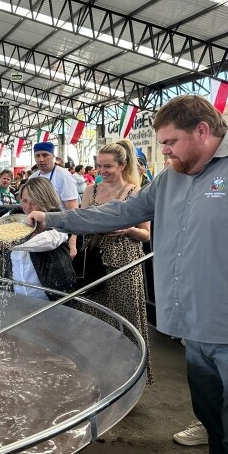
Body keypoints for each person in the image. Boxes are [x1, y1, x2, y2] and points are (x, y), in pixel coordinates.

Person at [28, 95, 228, 454]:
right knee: (217, 433)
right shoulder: (172, 179)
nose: (165, 152)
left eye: (170, 142)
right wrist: (52, 218)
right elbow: (116, 213)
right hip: (196, 336)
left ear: (202, 132)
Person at [75, 139, 153, 383]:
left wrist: (128, 229)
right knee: (91, 318)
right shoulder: (91, 190)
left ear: (122, 165)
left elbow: (146, 234)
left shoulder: (135, 192)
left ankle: (128, 378)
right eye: (99, 166)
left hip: (124, 264)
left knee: (126, 320)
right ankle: (94, 374)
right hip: (93, 262)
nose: (102, 171)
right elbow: (80, 222)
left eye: (107, 166)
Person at [0, 177, 75, 300]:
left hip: (51, 293)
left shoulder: (56, 217)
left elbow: (48, 241)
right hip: (19, 290)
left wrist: (7, 242)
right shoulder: (15, 214)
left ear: (45, 200)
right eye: (24, 200)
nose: (27, 207)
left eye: (34, 202)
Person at [30, 141, 78, 256]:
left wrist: (72, 241)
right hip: (39, 232)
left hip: (60, 233)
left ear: (53, 156)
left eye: (45, 155)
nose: (41, 159)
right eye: (37, 156)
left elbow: (73, 212)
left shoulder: (64, 176)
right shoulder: (33, 178)